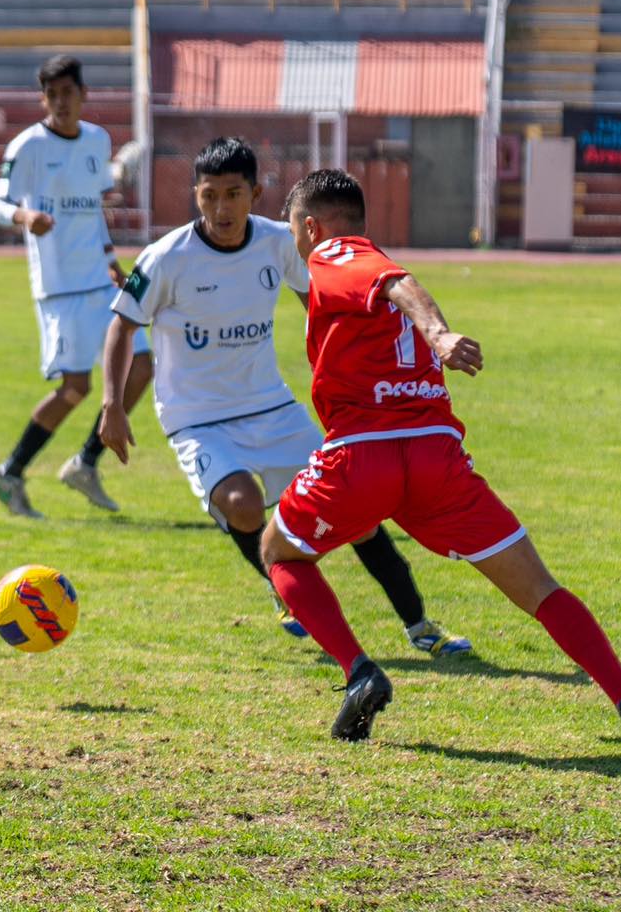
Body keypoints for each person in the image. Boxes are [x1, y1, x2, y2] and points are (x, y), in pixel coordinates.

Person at [261, 168, 621, 740]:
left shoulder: (336, 253)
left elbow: (394, 281)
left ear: (311, 227)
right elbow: (389, 284)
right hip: (437, 461)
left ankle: (359, 671)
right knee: (540, 590)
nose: (299, 248)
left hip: (362, 459)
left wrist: (438, 333)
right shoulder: (363, 270)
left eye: (295, 235)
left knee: (280, 551)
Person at [100, 137, 471, 654]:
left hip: (271, 408)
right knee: (243, 505)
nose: (220, 208)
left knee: (358, 513)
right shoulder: (166, 257)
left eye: (233, 194)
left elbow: (319, 301)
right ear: (196, 195)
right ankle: (281, 585)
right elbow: (122, 325)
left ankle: (420, 626)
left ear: (255, 193)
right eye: (209, 195)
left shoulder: (279, 243)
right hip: (197, 417)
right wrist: (112, 406)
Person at [0, 55, 153, 519]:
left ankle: (85, 463)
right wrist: (24, 216)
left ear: (83, 95)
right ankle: (10, 473)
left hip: (98, 281)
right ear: (44, 99)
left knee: (141, 365)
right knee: (75, 388)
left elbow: (92, 209)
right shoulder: (28, 146)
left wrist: (109, 259)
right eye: (52, 94)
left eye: (68, 92)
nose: (61, 102)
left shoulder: (97, 140)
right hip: (59, 289)